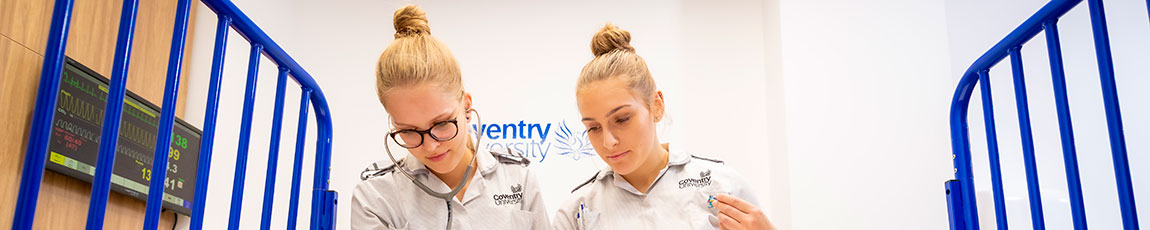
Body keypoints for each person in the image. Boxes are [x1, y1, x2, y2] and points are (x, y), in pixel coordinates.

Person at [552, 23, 776, 230]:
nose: (608, 142)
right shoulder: (575, 214)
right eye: (594, 128)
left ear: (656, 105)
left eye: (621, 119)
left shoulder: (722, 188)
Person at [350, 5, 549, 230]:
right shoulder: (376, 198)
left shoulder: (518, 179)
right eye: (409, 131)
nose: (431, 146)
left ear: (466, 105)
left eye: (441, 123)